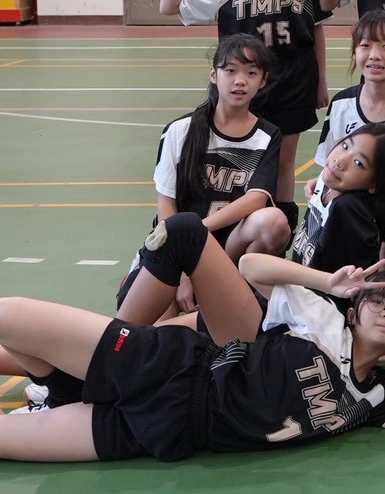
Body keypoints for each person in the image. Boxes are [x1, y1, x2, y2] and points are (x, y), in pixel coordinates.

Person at [0, 214, 385, 462]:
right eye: (379, 299)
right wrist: (328, 283)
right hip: (170, 368)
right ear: (354, 312)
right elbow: (250, 267)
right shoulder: (322, 320)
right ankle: (56, 385)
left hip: (175, 431)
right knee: (0, 315)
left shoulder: (376, 399)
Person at [159, 0, 330, 225]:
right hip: (244, 78)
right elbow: (168, 6)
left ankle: (278, 232)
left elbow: (315, 28)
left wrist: (321, 80)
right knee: (241, 158)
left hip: (294, 75)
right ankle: (237, 227)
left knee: (284, 162)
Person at [116, 32, 290, 317]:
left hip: (229, 248)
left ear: (263, 80)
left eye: (251, 73)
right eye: (230, 71)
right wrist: (183, 269)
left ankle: (234, 287)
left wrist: (197, 232)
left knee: (273, 221)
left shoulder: (267, 135)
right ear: (213, 74)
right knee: (146, 328)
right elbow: (166, 205)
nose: (240, 81)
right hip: (175, 248)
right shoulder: (180, 131)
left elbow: (257, 199)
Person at [305, 8, 385, 233]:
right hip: (335, 214)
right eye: (365, 45)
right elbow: (328, 164)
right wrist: (320, 191)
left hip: (382, 223)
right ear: (354, 51)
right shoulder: (341, 103)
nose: (374, 55)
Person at [291, 122, 385, 275]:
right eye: (345, 146)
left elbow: (335, 282)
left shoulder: (348, 210)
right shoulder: (328, 181)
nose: (340, 161)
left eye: (358, 163)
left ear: (375, 184)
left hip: (313, 288)